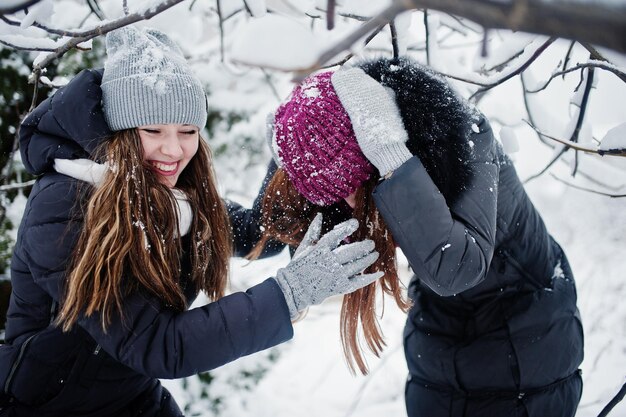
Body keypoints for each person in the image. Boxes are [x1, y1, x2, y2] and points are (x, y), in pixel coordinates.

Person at [0, 26, 382, 417]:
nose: (173, 149)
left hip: (131, 397)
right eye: (153, 130)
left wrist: (289, 152)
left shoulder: (173, 196)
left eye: (188, 131)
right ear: (120, 132)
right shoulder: (63, 209)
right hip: (47, 406)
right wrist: (288, 294)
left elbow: (255, 233)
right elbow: (160, 345)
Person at [253, 57, 584, 416]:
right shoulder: (348, 155)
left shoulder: (464, 138)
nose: (347, 203)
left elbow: (456, 268)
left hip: (526, 358)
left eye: (350, 188)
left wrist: (393, 157)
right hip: (436, 356)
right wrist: (194, 214)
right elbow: (267, 234)